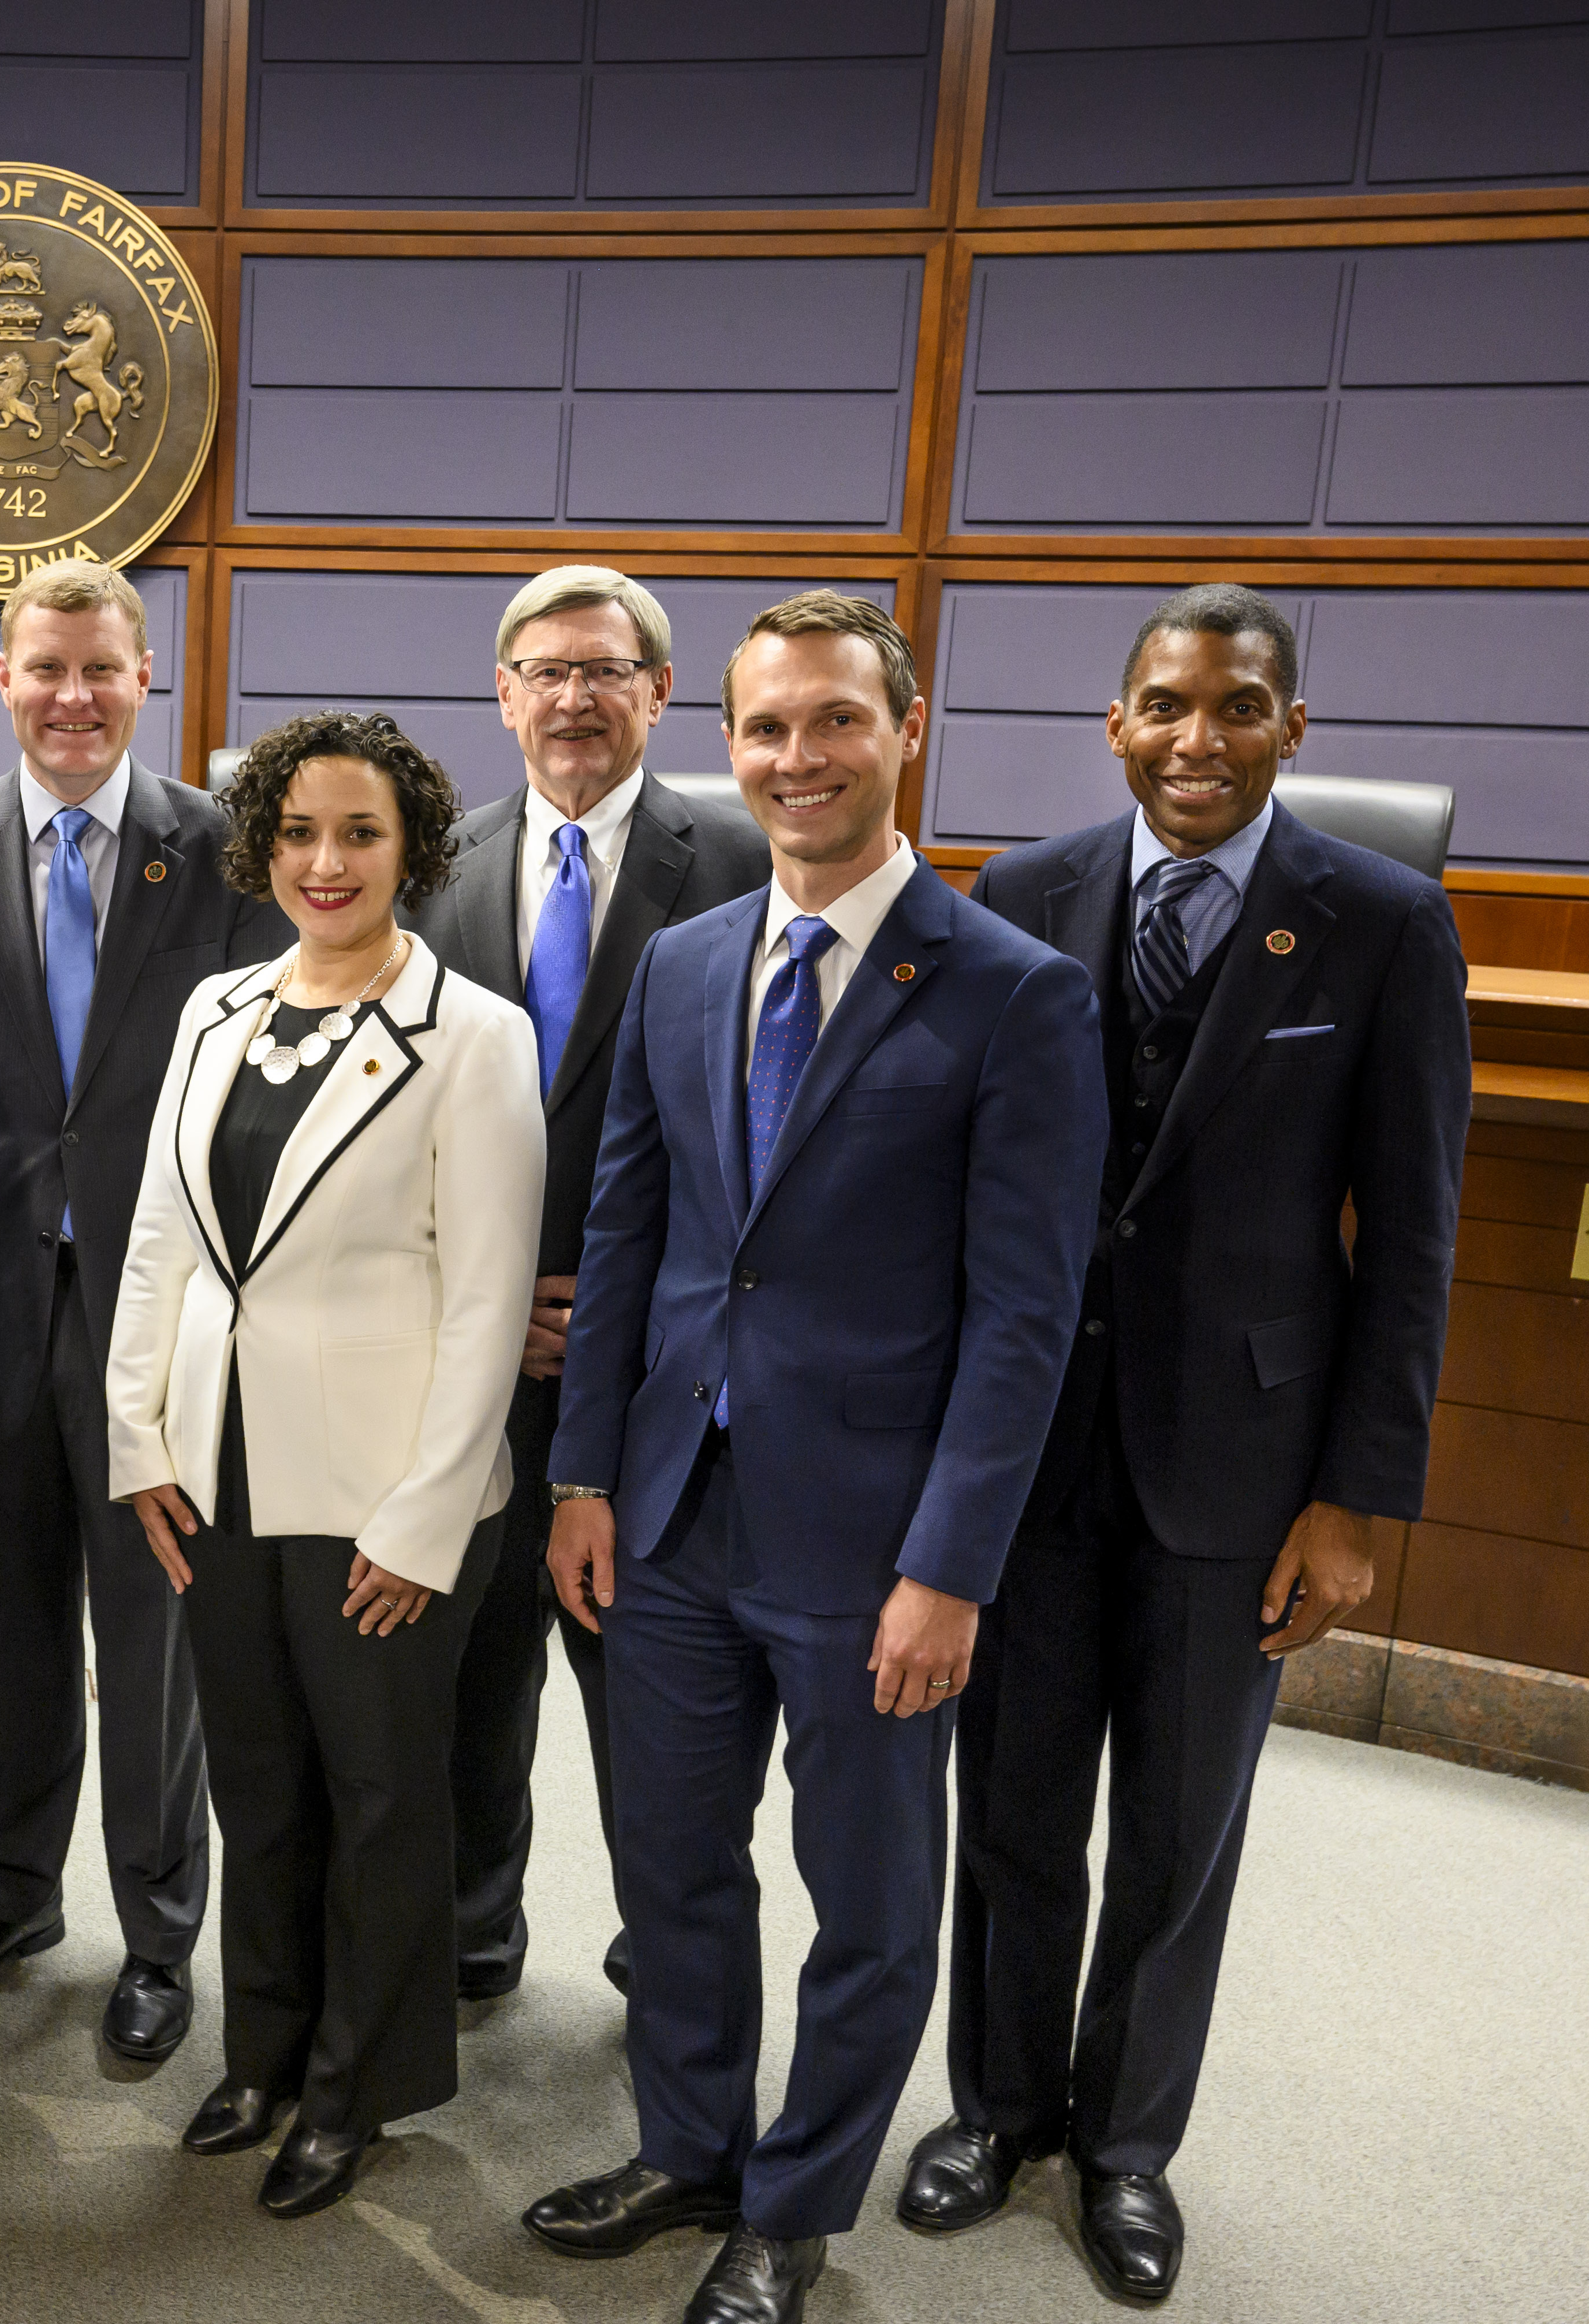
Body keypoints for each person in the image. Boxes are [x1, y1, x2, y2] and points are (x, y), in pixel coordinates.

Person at [527, 592, 1105, 2324]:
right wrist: (580, 1472)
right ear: (732, 741)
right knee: (672, 1864)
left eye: (836, 721)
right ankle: (691, 2143)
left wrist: (953, 1569)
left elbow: (1025, 1317)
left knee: (867, 1901)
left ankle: (790, 2207)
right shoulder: (689, 960)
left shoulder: (1016, 993)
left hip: (877, 1547)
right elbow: (627, 1236)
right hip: (673, 1512)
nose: (799, 759)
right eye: (768, 727)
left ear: (905, 730)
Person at [905, 586, 1469, 2304]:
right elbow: (975, 1191)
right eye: (1166, 705)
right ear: (1116, 722)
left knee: (1175, 1829)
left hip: (1241, 1464)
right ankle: (995, 2107)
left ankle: (1128, 2145)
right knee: (1007, 1808)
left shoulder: (1380, 922)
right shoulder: (1030, 892)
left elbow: (1418, 1234)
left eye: (1237, 709)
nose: (1197, 741)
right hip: (1033, 1449)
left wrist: (1360, 1496)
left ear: (1295, 728)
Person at [105, 709, 542, 2221]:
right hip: (222, 1472)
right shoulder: (218, 1008)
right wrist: (139, 1436)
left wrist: (426, 1520)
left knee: (379, 1794)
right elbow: (162, 1239)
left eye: (359, 832)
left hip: (389, 1492)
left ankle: (359, 2084)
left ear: (412, 846)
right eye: (297, 833)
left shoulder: (476, 1037)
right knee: (260, 1781)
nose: (326, 861)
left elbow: (491, 1301)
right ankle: (266, 2051)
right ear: (262, 849)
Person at [0, 561, 285, 2059]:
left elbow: (265, 1090)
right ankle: (8, 1895)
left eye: (102, 669)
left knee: (155, 1625)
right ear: (4, 678)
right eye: (47, 669)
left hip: (165, 1305)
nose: (74, 697)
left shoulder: (228, 852)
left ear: (145, 675)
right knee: (12, 1613)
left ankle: (160, 1930)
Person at [411, 565, 771, 2002]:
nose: (574, 695)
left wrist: (620, 1309)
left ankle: (665, 1962)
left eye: (606, 670)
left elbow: (768, 1137)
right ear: (502, 695)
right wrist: (485, 1299)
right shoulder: (429, 858)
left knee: (656, 1714)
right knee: (470, 1693)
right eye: (544, 670)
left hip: (657, 1384)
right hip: (467, 1372)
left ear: (659, 694)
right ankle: (469, 1939)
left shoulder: (750, 860)